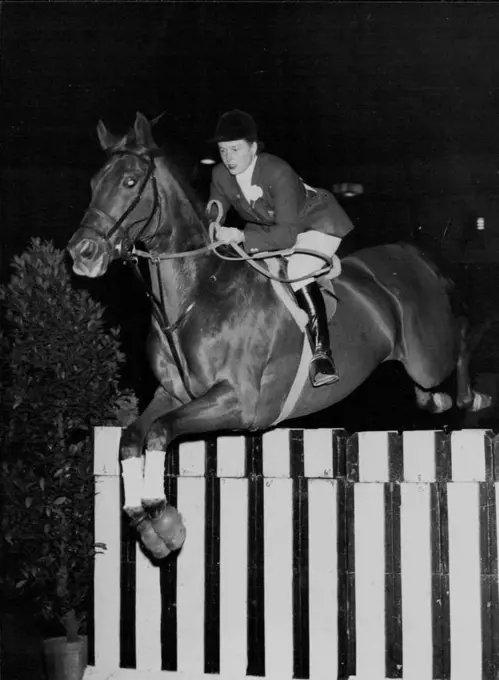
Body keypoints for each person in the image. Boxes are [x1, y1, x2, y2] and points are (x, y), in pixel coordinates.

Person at [207, 109, 355, 387]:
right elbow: (217, 204)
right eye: (223, 150)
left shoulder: (278, 171)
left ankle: (323, 355)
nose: (228, 158)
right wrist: (215, 222)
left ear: (253, 147)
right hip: (270, 228)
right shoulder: (219, 172)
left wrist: (239, 236)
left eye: (235, 149)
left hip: (316, 223)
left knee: (298, 268)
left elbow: (287, 237)